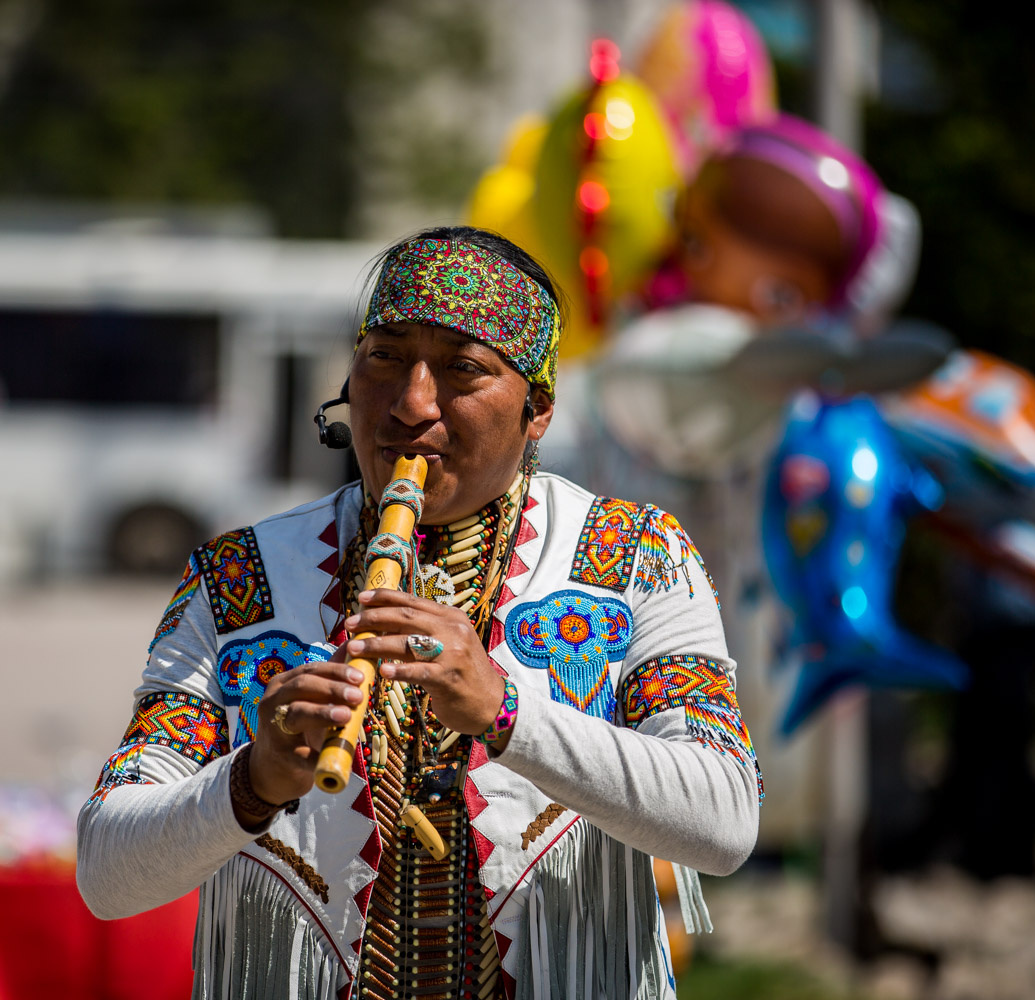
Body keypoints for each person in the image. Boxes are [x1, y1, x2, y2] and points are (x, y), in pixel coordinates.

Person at [77, 226, 760, 1000]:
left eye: (464, 369)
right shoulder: (239, 579)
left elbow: (726, 820)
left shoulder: (637, 554)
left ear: (537, 410)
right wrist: (251, 783)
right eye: (384, 357)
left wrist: (507, 715)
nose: (410, 405)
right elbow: (106, 872)